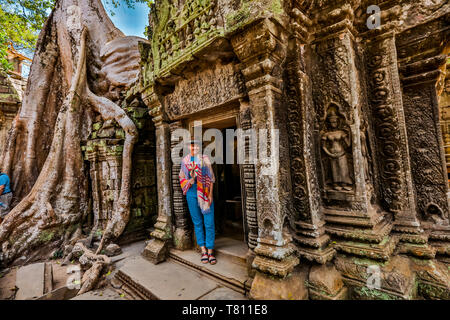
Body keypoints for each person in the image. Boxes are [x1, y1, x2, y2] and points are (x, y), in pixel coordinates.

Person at [179, 140, 217, 265]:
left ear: (199, 147)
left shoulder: (205, 159)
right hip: (191, 193)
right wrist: (189, 180)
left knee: (209, 221)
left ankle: (211, 250)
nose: (194, 147)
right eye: (192, 145)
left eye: (196, 145)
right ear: (189, 147)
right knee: (197, 222)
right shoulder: (185, 161)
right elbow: (181, 177)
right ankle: (203, 250)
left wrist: (210, 194)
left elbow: (211, 178)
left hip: (205, 193)